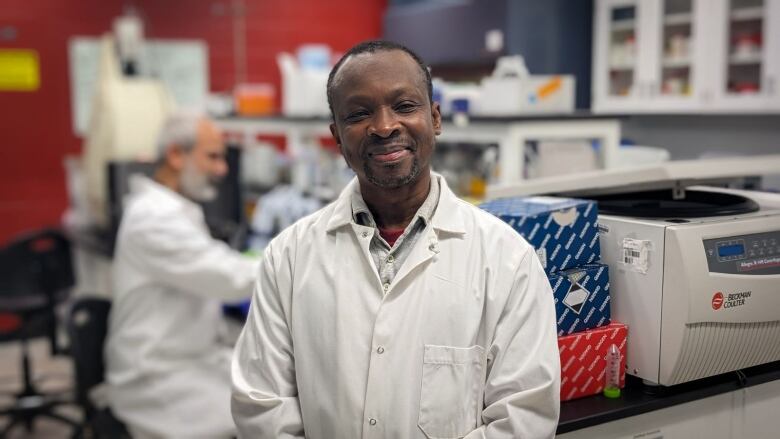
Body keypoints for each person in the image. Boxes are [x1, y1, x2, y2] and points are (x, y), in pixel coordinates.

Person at [231, 41, 560, 438]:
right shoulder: (288, 257)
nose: (385, 127)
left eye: (404, 106)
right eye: (359, 113)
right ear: (337, 135)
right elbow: (263, 408)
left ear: (435, 118)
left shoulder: (507, 260)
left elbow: (522, 418)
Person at [105, 110, 258, 439]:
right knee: (265, 419)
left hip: (190, 358)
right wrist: (300, 260)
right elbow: (229, 278)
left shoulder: (175, 209)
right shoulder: (154, 218)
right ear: (176, 154)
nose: (223, 169)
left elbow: (216, 264)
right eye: (213, 157)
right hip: (157, 377)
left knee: (269, 392)